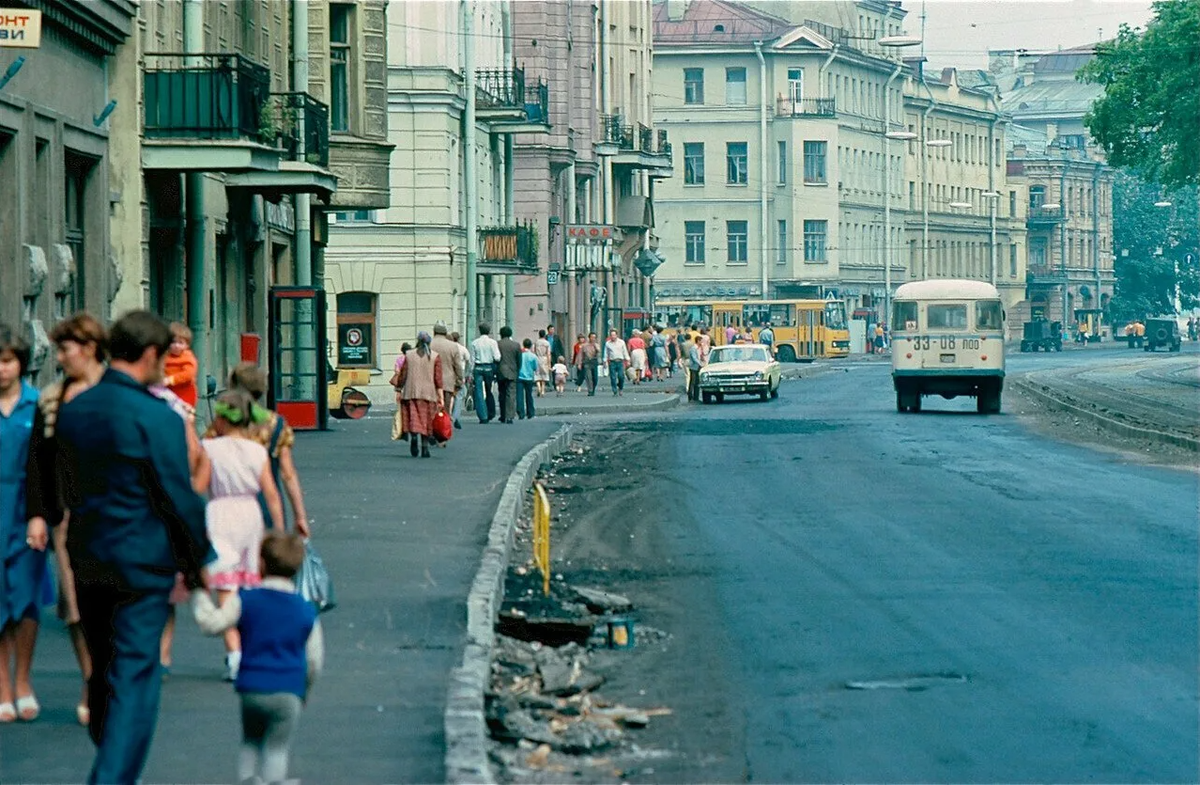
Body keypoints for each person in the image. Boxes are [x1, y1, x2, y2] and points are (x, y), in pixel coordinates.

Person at [55, 310, 212, 784]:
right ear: (148, 354)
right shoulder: (156, 416)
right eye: (164, 357)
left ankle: (113, 758)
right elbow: (177, 495)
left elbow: (60, 481)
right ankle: (112, 776)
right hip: (143, 563)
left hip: (87, 557)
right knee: (135, 679)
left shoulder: (74, 409)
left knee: (103, 671)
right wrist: (198, 562)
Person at [24, 314, 109, 725]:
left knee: (112, 601)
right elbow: (37, 462)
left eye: (65, 349)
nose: (59, 357)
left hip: (115, 516)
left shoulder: (119, 393)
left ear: (90, 348)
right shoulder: (52, 398)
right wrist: (38, 515)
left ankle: (109, 677)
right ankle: (91, 682)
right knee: (75, 602)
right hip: (67, 518)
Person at [192, 532, 323, 785]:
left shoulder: (246, 600)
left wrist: (198, 593)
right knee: (277, 748)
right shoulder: (305, 610)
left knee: (250, 741)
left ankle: (248, 780)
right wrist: (305, 690)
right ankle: (274, 781)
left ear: (261, 564)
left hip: (252, 687)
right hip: (288, 690)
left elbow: (212, 624)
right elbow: (315, 659)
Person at [204, 389, 286, 682]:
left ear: (222, 419)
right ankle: (250, 650)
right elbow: (272, 495)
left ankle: (235, 654)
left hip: (220, 514)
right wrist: (277, 531)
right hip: (250, 516)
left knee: (226, 589)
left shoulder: (209, 449)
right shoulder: (257, 451)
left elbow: (197, 485)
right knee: (249, 586)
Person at [0, 325, 52, 724]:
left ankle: (23, 679)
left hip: (25, 510)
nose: (1, 370)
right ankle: (2, 685)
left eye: (7, 361)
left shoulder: (38, 405)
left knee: (27, 597)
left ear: (21, 363)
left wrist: (42, 514)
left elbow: (48, 467)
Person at [223, 364, 310, 538]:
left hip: (230, 502)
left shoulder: (223, 422)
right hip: (268, 502)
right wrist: (300, 516)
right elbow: (288, 474)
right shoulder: (275, 424)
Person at [397, 332, 444, 457]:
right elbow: (438, 379)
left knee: (413, 419)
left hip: (411, 393)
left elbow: (403, 374)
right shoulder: (435, 357)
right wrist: (441, 396)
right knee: (427, 421)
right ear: (429, 342)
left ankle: (413, 438)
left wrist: (398, 387)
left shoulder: (409, 355)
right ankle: (424, 448)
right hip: (429, 394)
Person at [430, 322, 464, 417]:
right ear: (445, 333)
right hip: (448, 382)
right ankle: (444, 427)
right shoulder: (453, 346)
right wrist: (459, 380)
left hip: (431, 381)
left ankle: (432, 426)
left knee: (432, 408)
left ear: (434, 332)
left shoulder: (429, 345)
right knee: (446, 408)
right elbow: (458, 366)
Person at [162, 322, 199, 408]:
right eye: (173, 342)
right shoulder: (165, 356)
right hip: (168, 391)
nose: (176, 346)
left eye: (180, 343)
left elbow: (188, 374)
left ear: (187, 345)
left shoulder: (187, 357)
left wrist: (170, 380)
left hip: (185, 393)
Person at [470, 323, 500, 424]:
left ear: (479, 331)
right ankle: (490, 411)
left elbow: (472, 359)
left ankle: (483, 416)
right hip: (488, 368)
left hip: (478, 368)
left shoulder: (474, 343)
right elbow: (497, 357)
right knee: (488, 390)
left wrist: (470, 371)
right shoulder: (492, 342)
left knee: (478, 392)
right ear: (489, 331)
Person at [496, 326, 522, 424]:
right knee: (511, 394)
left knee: (501, 393)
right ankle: (510, 416)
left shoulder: (497, 344)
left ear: (501, 334)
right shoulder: (516, 345)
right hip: (512, 371)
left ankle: (502, 415)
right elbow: (519, 360)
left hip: (500, 371)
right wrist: (517, 370)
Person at [390, 342, 413, 441]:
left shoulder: (399, 360)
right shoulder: (412, 359)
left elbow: (397, 373)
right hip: (411, 387)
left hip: (402, 387)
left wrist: (398, 391)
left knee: (402, 410)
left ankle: (404, 431)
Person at [450, 332, 471, 429]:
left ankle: (449, 416)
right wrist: (467, 374)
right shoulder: (462, 349)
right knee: (459, 395)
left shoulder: (448, 348)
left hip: (449, 373)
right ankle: (455, 417)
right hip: (460, 373)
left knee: (449, 396)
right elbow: (469, 361)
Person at [603, 329, 630, 397]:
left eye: (614, 335)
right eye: (611, 335)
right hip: (612, 362)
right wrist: (605, 361)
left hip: (620, 361)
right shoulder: (608, 343)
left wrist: (628, 360)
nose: (613, 336)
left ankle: (620, 388)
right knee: (613, 377)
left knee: (621, 376)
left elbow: (625, 351)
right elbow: (606, 353)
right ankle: (615, 391)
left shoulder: (621, 342)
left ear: (616, 335)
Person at [517, 339, 538, 419]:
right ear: (531, 346)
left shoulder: (520, 355)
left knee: (519, 396)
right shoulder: (533, 356)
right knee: (529, 395)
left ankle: (521, 413)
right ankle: (530, 413)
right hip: (529, 377)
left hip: (519, 376)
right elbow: (535, 367)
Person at [533, 329, 552, 397]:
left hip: (537, 358)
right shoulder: (547, 343)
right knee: (544, 375)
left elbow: (534, 351)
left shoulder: (536, 342)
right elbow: (548, 353)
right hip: (544, 359)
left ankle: (538, 388)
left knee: (537, 374)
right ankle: (543, 390)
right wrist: (549, 363)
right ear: (544, 335)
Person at [687, 334, 703, 402]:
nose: (702, 343)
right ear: (698, 341)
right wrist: (700, 364)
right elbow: (694, 358)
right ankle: (690, 396)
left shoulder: (698, 348)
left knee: (697, 382)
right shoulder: (693, 348)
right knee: (692, 382)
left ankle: (696, 397)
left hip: (697, 367)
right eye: (701, 341)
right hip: (693, 367)